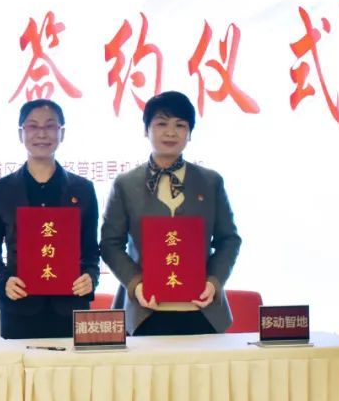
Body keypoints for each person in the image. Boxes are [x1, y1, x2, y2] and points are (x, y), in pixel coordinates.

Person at [100, 90, 241, 336]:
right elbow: (110, 244)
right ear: (146, 130)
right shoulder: (126, 184)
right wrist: (136, 284)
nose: (171, 132)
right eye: (161, 124)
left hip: (202, 311)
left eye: (180, 125)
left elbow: (229, 239)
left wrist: (214, 281)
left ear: (190, 133)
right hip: (144, 312)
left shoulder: (210, 182)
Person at [0, 99, 99, 338]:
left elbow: (91, 251)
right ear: (21, 133)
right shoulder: (1, 190)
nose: (42, 134)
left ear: (62, 133)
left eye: (50, 126)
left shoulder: (83, 189)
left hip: (70, 308)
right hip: (19, 309)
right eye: (33, 126)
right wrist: (3, 281)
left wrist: (90, 277)